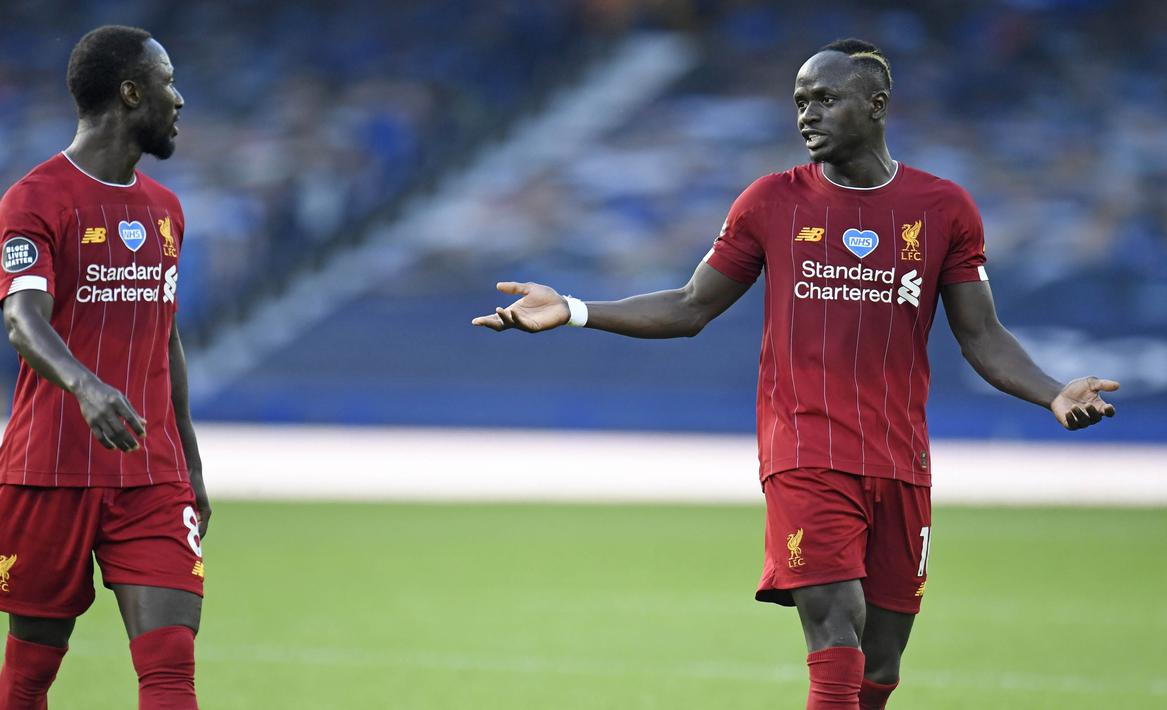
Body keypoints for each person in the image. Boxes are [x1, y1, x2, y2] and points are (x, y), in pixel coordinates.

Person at [473, 38, 1118, 709]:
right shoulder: (770, 202)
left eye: (824, 98)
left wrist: (1051, 392)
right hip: (806, 451)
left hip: (901, 459)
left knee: (880, 666)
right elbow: (691, 307)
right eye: (799, 101)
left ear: (875, 105)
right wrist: (574, 309)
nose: (807, 114)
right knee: (835, 634)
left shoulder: (943, 208)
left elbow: (981, 336)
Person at [0, 25, 208, 710]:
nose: (180, 99)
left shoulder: (166, 211)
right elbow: (22, 318)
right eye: (168, 83)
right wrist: (86, 385)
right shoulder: (35, 198)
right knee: (30, 674)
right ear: (131, 92)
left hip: (150, 476)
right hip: (50, 470)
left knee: (170, 667)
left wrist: (189, 463)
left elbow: (165, 338)